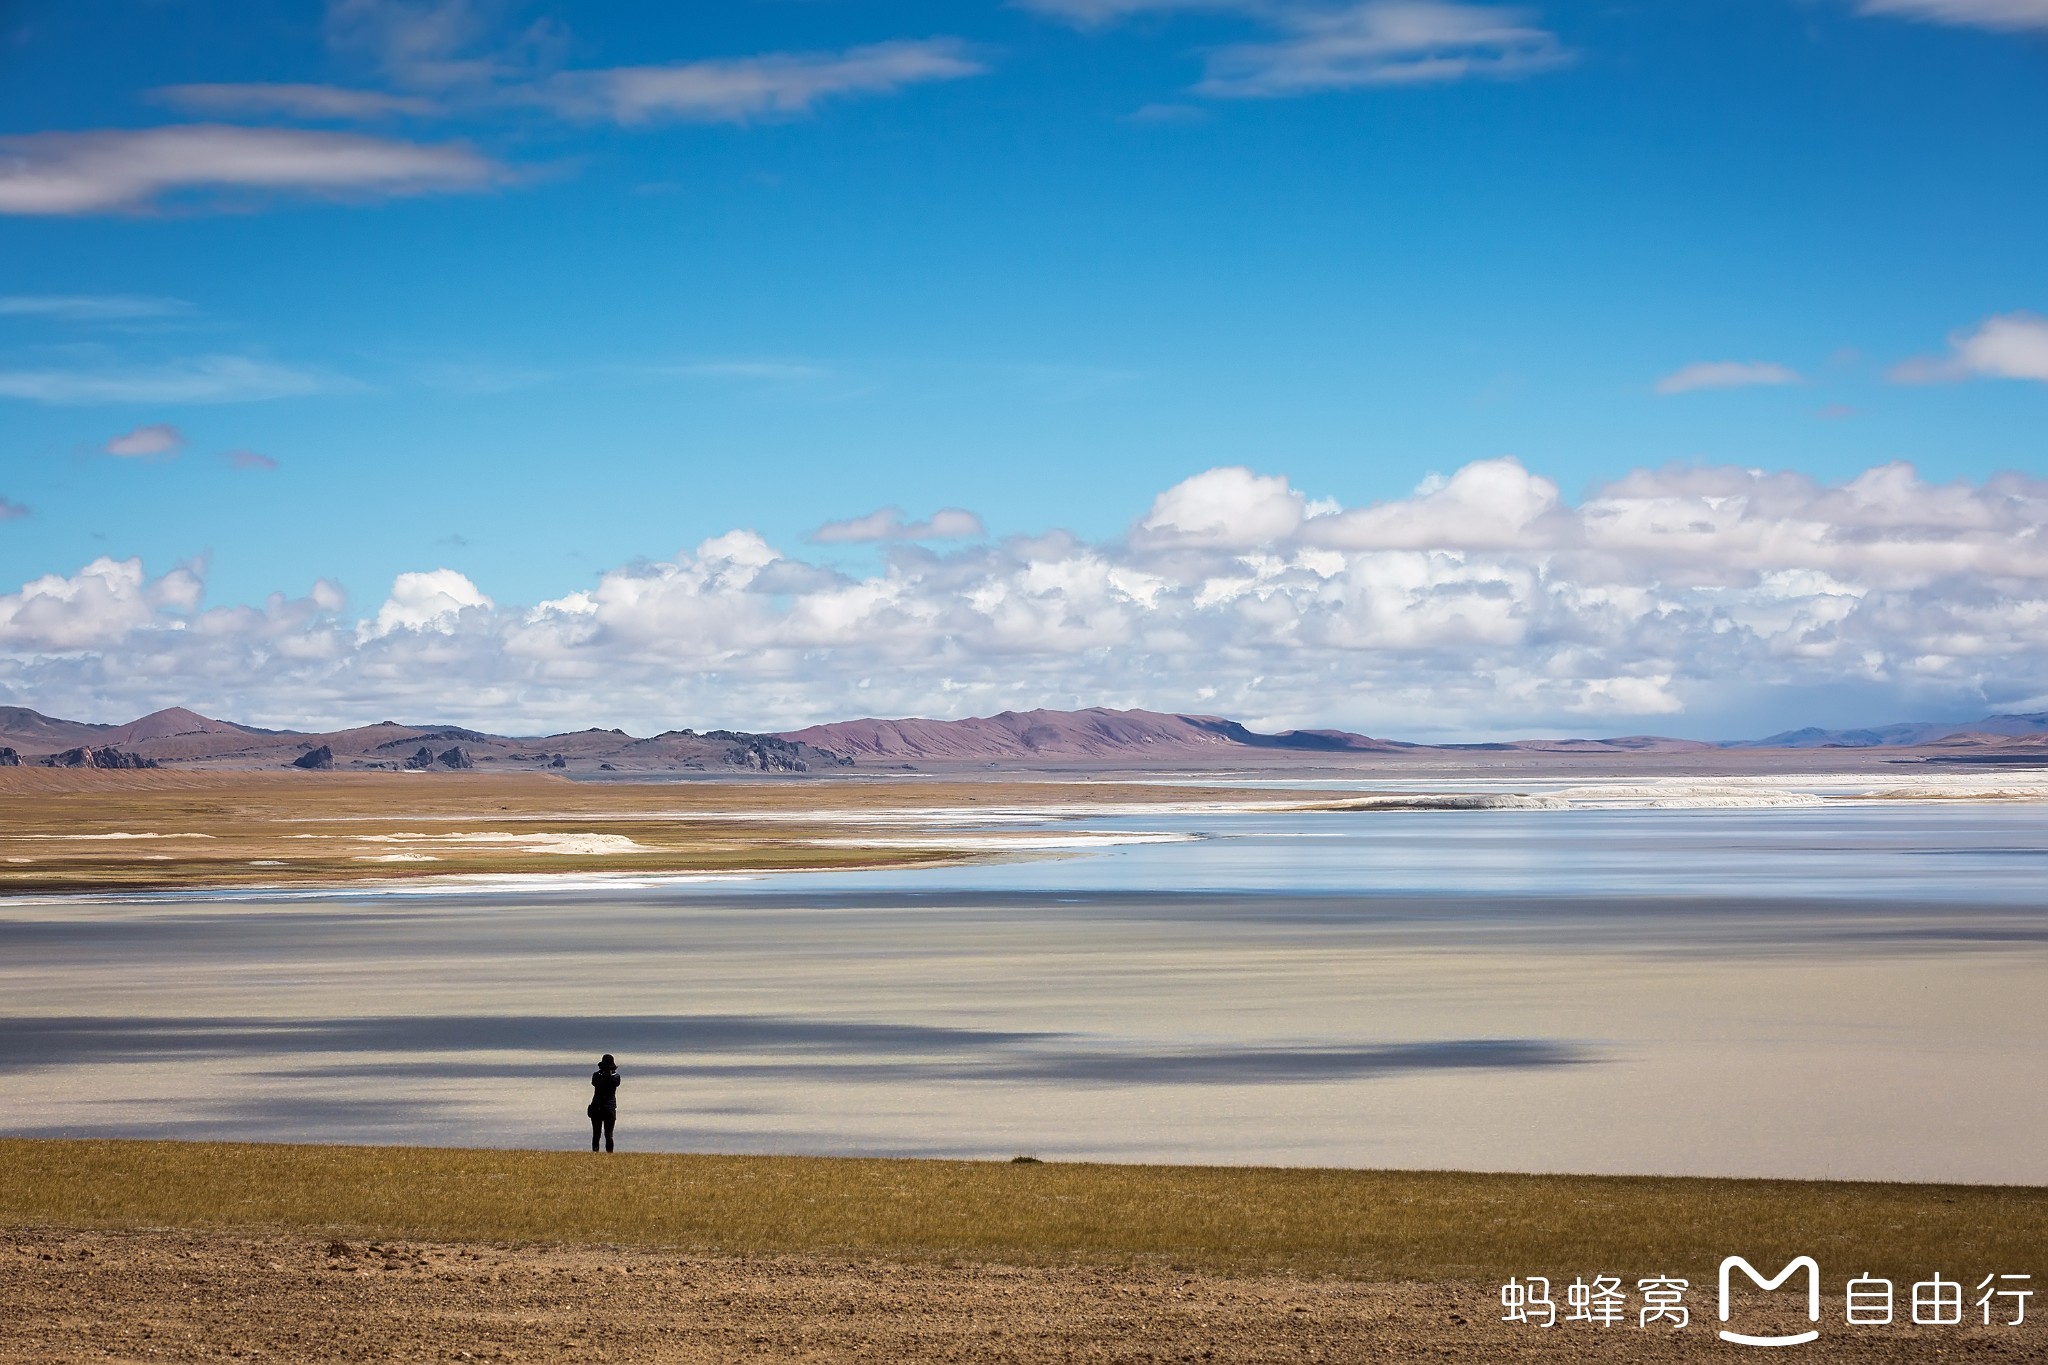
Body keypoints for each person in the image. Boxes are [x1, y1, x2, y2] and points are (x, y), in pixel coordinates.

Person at [587, 1054, 620, 1152]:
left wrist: (608, 1076)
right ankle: (596, 1153)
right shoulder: (597, 1076)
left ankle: (609, 1154)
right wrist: (606, 1076)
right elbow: (596, 1083)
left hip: (607, 1108)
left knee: (608, 1135)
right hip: (599, 1107)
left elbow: (614, 1084)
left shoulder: (615, 1077)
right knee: (596, 1134)